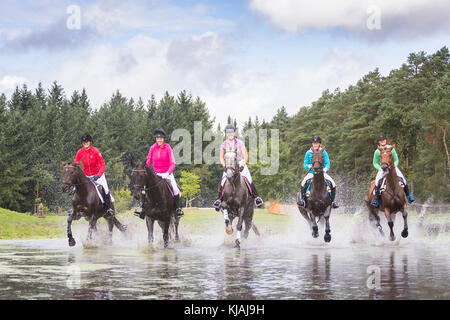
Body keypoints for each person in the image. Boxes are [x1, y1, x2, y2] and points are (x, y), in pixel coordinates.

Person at [213, 124, 263, 210]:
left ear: (234, 133)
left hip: (240, 163)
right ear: (226, 133)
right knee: (223, 180)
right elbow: (221, 157)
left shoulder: (240, 143)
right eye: (228, 132)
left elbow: (246, 155)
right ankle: (219, 200)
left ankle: (256, 198)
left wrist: (243, 165)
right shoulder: (223, 144)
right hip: (228, 165)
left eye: (231, 132)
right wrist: (224, 166)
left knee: (248, 178)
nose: (229, 134)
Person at [146, 129, 184, 218]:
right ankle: (142, 208)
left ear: (164, 139)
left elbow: (173, 163)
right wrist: (145, 168)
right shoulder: (152, 148)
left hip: (167, 173)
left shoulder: (168, 148)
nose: (159, 140)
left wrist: (167, 173)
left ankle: (178, 209)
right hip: (155, 174)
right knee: (144, 188)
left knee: (175, 189)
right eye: (157, 138)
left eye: (161, 138)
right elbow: (148, 161)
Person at [74, 133, 115, 217]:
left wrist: (98, 175)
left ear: (90, 142)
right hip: (86, 176)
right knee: (75, 188)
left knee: (105, 190)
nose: (85, 143)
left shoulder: (95, 151)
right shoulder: (80, 152)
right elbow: (76, 164)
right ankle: (75, 208)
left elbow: (103, 165)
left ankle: (108, 209)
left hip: (97, 175)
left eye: (87, 141)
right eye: (83, 142)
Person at [370, 136, 416, 207]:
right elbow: (375, 163)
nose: (382, 141)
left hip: (392, 167)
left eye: (384, 140)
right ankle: (376, 199)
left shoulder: (391, 148)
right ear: (379, 142)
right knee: (377, 181)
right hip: (382, 168)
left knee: (402, 178)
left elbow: (396, 159)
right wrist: (380, 169)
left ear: (386, 140)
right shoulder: (377, 151)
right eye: (381, 140)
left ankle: (408, 196)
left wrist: (393, 166)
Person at [297, 135, 339, 209]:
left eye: (317, 143)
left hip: (322, 172)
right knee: (303, 182)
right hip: (311, 172)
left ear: (319, 144)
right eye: (314, 143)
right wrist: (310, 166)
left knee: (333, 183)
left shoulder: (324, 152)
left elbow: (327, 163)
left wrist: (325, 170)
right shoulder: (308, 153)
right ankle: (303, 201)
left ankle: (332, 202)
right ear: (312, 144)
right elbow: (305, 165)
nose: (315, 144)